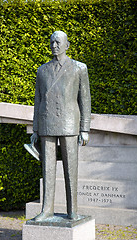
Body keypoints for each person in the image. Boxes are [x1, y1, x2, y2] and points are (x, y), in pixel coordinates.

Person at [29, 31, 91, 222]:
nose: (54, 45)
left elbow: (85, 100)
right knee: (47, 169)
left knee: (70, 169)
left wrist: (85, 129)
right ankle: (47, 210)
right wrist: (36, 129)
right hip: (47, 123)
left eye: (58, 42)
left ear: (67, 45)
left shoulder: (79, 68)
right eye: (52, 42)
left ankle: (73, 210)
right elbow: (38, 100)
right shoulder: (42, 70)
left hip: (69, 124)